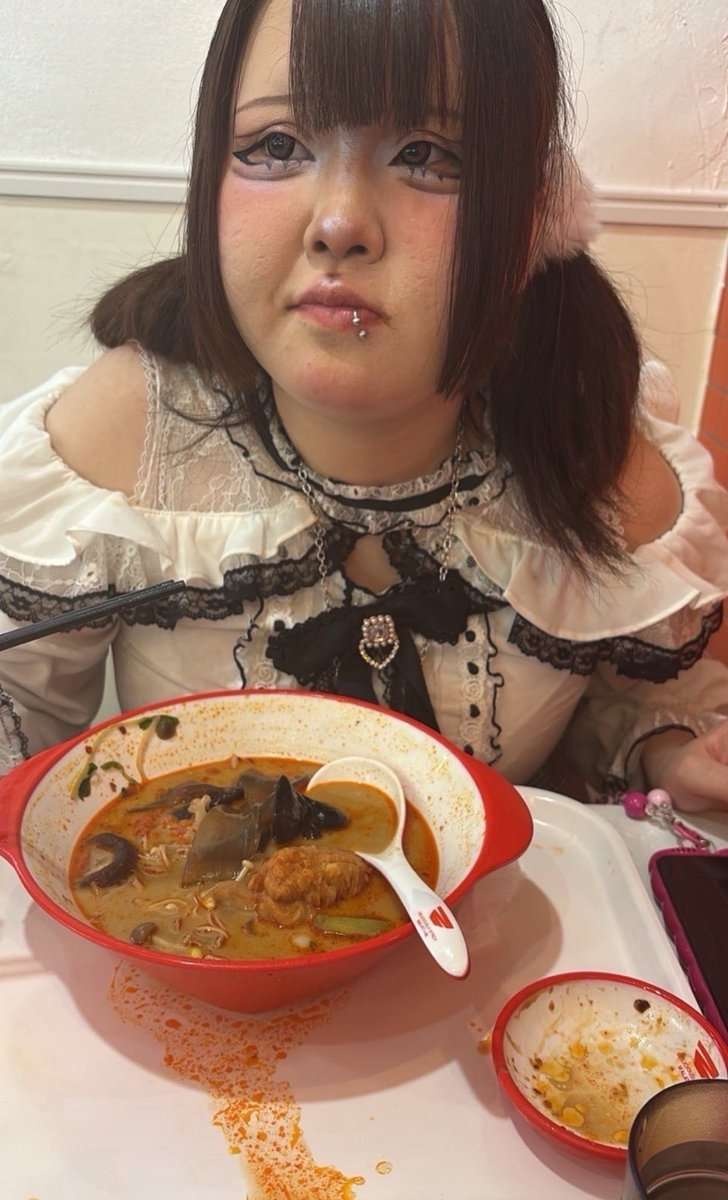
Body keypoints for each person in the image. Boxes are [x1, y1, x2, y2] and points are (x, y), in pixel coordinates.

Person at [1, 0, 728, 813]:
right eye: (277, 146)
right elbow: (17, 704)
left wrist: (672, 752)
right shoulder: (129, 428)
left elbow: (632, 692)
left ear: (534, 214)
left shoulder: (592, 449)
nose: (339, 223)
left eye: (427, 156)